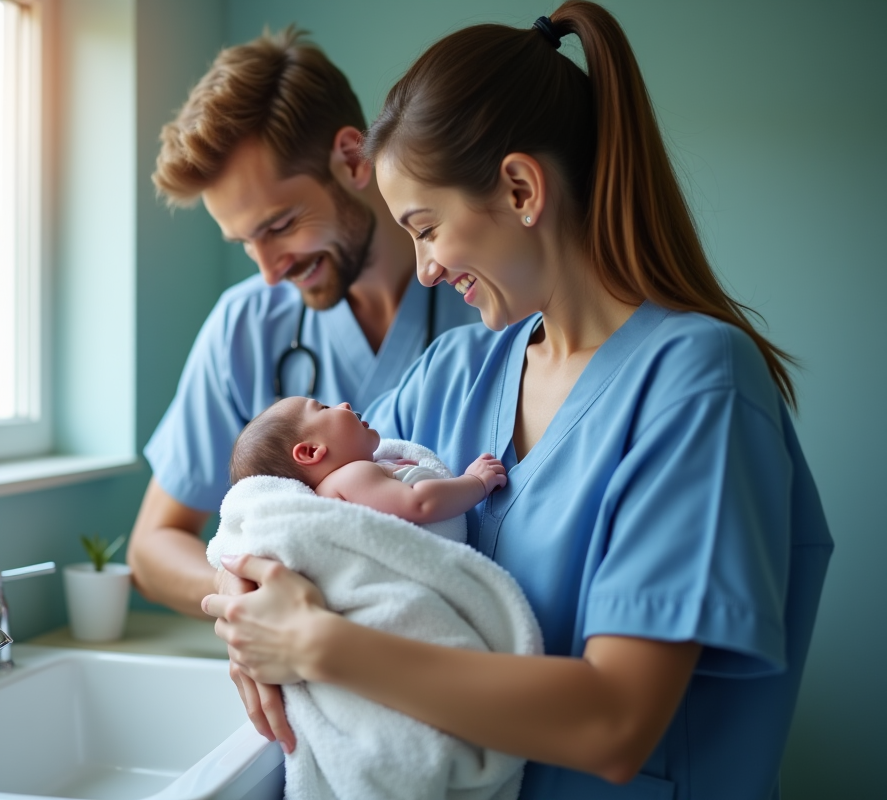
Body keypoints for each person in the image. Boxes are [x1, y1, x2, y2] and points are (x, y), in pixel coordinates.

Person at [202, 4, 833, 799]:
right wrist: (247, 611)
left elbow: (614, 723)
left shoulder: (696, 383)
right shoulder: (451, 375)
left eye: (427, 228)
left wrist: (316, 646)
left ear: (521, 188)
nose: (426, 269)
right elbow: (299, 519)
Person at [129, 27, 480, 617]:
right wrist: (244, 589)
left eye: (280, 226)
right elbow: (152, 546)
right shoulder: (246, 325)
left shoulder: (484, 297)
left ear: (351, 158)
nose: (269, 271)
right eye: (246, 243)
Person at [229, 397, 507, 525]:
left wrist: (394, 471)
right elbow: (419, 503)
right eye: (323, 407)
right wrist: (475, 483)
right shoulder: (351, 476)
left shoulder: (354, 479)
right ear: (311, 452)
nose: (344, 405)